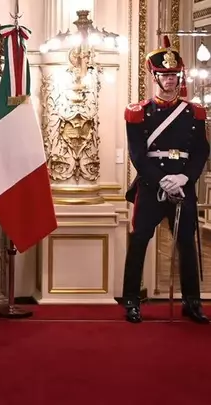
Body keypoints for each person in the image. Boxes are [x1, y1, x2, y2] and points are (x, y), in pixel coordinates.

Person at [122, 35, 209, 324]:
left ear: (179, 77)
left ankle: (192, 302)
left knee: (186, 242)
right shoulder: (138, 112)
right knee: (139, 241)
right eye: (164, 75)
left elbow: (201, 150)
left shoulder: (194, 112)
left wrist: (185, 176)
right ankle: (132, 301)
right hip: (151, 186)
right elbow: (137, 154)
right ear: (155, 77)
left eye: (173, 75)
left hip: (183, 184)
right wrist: (162, 180)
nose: (170, 80)